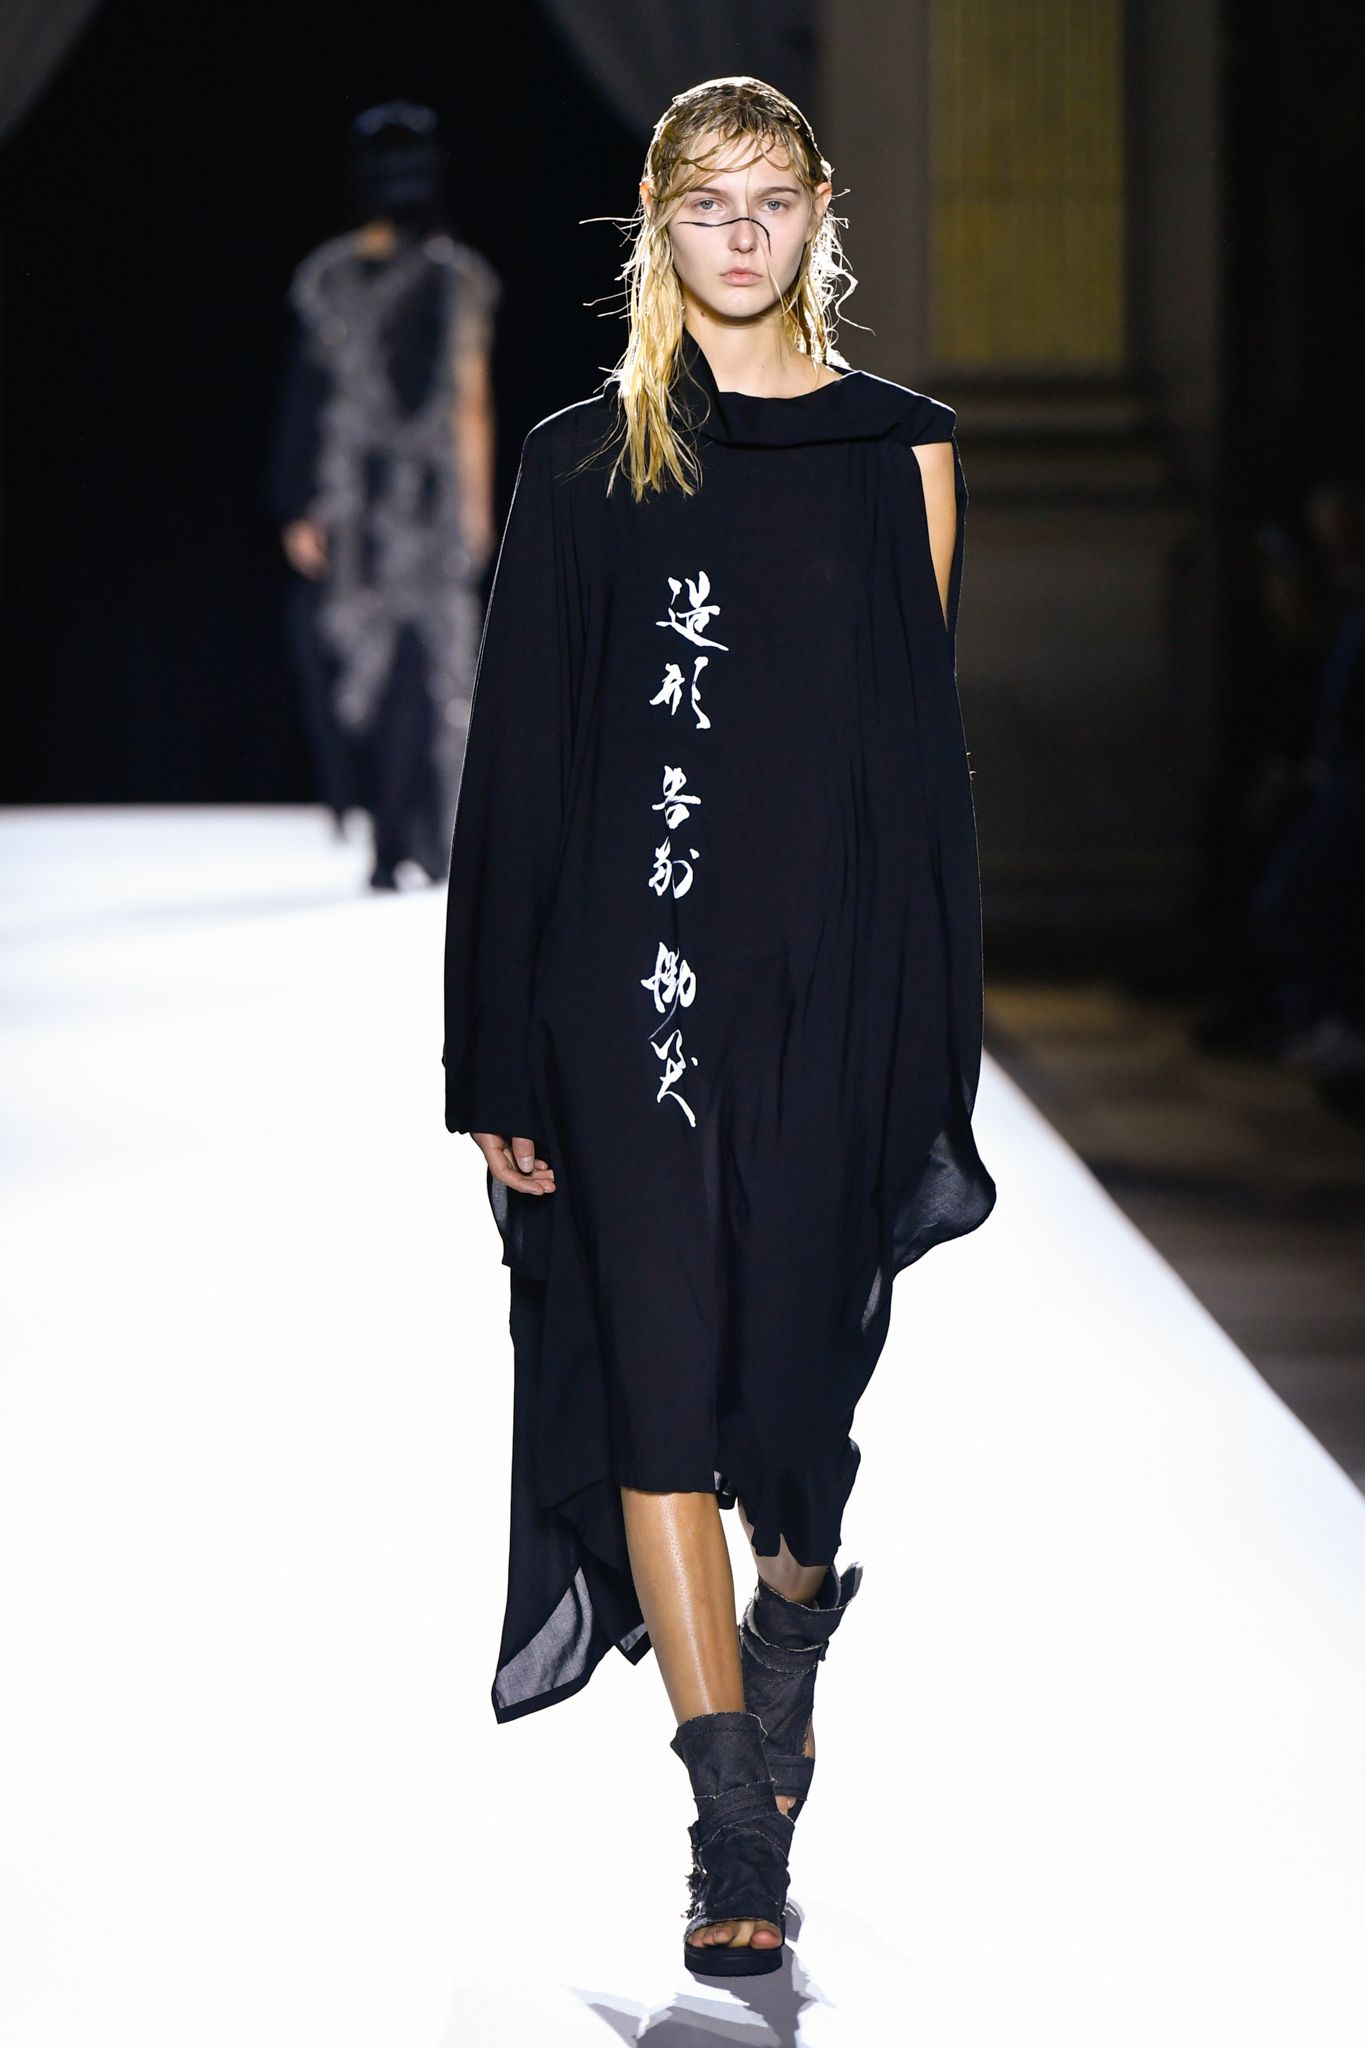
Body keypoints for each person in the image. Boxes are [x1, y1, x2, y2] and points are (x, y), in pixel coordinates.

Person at [442, 76, 996, 1976]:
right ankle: (729, 1813)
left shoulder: (901, 453)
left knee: (796, 1406)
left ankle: (795, 1609)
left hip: (828, 994)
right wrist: (495, 1056)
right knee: (659, 1384)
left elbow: (913, 772)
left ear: (821, 211)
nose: (740, 233)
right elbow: (520, 770)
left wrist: (925, 1026)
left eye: (771, 199)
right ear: (658, 223)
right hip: (627, 1002)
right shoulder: (579, 464)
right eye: (705, 202)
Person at [271, 102, 500, 889]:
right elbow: (470, 402)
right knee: (416, 663)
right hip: (407, 500)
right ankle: (411, 836)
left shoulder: (339, 277)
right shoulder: (451, 278)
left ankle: (399, 835)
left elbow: (308, 396)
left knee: (379, 661)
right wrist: (475, 507)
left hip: (365, 500)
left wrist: (298, 503)